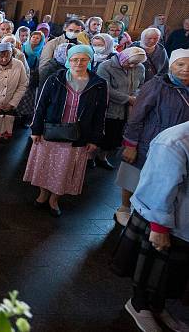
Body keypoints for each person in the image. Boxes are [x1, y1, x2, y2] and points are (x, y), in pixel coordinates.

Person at [111, 121, 189, 332]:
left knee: (173, 275)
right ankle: (138, 305)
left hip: (185, 225)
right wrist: (159, 227)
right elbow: (159, 184)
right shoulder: (175, 140)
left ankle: (158, 307)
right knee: (154, 270)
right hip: (170, 222)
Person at [23, 45, 107, 216]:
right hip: (52, 131)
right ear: (68, 60)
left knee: (65, 169)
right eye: (75, 59)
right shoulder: (56, 78)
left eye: (83, 59)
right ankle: (42, 194)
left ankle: (54, 199)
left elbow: (100, 114)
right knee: (45, 164)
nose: (79, 63)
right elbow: (41, 105)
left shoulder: (98, 84)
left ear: (90, 60)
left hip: (78, 135)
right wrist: (36, 129)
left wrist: (95, 139)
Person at [115, 49, 189, 227]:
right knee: (133, 174)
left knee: (163, 179)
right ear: (171, 66)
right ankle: (124, 208)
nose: (186, 69)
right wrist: (130, 145)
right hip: (148, 139)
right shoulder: (157, 85)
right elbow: (137, 116)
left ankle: (151, 213)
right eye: (181, 64)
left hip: (178, 145)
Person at [95, 47, 146, 172]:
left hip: (128, 109)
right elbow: (106, 89)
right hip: (109, 108)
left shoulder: (139, 68)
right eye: (130, 62)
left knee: (115, 135)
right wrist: (128, 99)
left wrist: (136, 96)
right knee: (103, 133)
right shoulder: (106, 66)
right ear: (124, 57)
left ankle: (102, 157)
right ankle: (91, 157)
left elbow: (141, 85)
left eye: (136, 63)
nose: (132, 65)